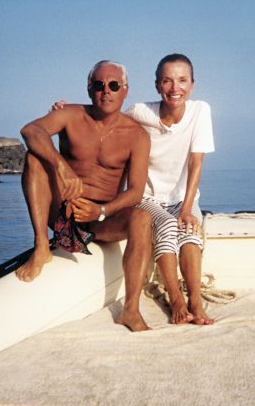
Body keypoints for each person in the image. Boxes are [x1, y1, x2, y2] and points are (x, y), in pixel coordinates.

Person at [52, 54, 215, 327]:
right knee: (165, 225)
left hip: (182, 198)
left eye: (182, 80)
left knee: (191, 232)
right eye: (167, 81)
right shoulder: (141, 111)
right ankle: (176, 298)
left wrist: (187, 209)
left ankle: (195, 301)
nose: (175, 88)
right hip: (148, 197)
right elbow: (104, 109)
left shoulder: (201, 111)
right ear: (157, 85)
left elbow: (196, 161)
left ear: (193, 85)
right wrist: (67, 108)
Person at [16, 60, 153, 332]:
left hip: (101, 219)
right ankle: (42, 246)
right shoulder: (71, 115)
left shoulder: (136, 135)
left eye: (114, 85)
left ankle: (131, 310)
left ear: (125, 91)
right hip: (63, 211)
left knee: (142, 217)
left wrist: (101, 212)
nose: (107, 91)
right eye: (99, 85)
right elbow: (31, 130)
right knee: (34, 158)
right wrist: (61, 167)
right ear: (89, 89)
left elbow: (136, 191)